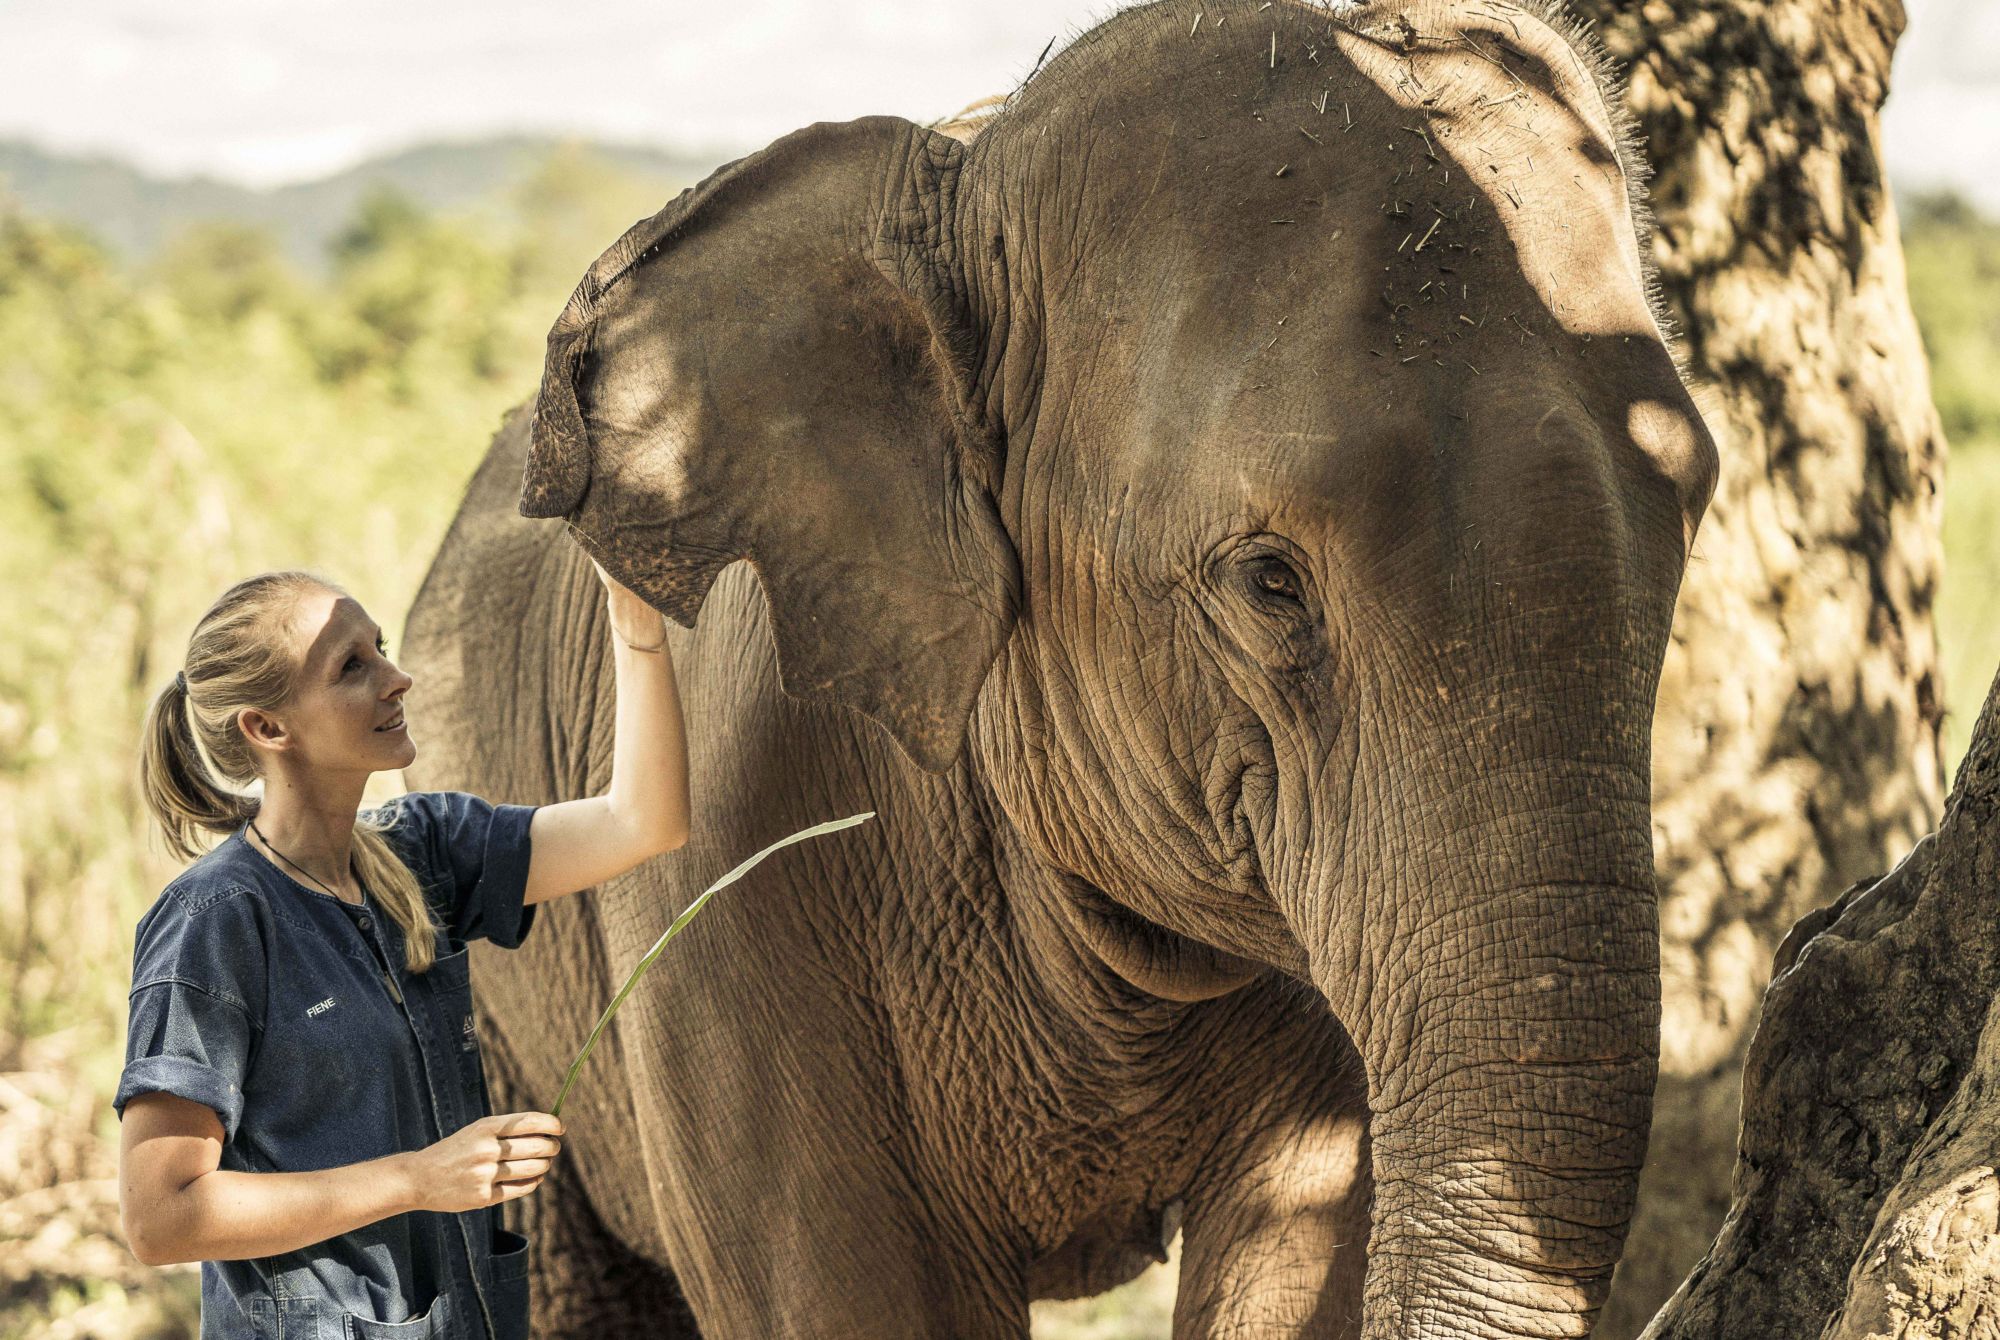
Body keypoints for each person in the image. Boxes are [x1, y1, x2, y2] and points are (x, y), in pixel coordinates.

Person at [114, 557, 689, 1340]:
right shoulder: (213, 922)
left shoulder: (423, 852)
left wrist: (637, 627)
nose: (399, 677)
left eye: (380, 648)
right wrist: (421, 1179)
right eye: (354, 666)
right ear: (267, 728)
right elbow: (162, 1218)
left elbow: (644, 823)